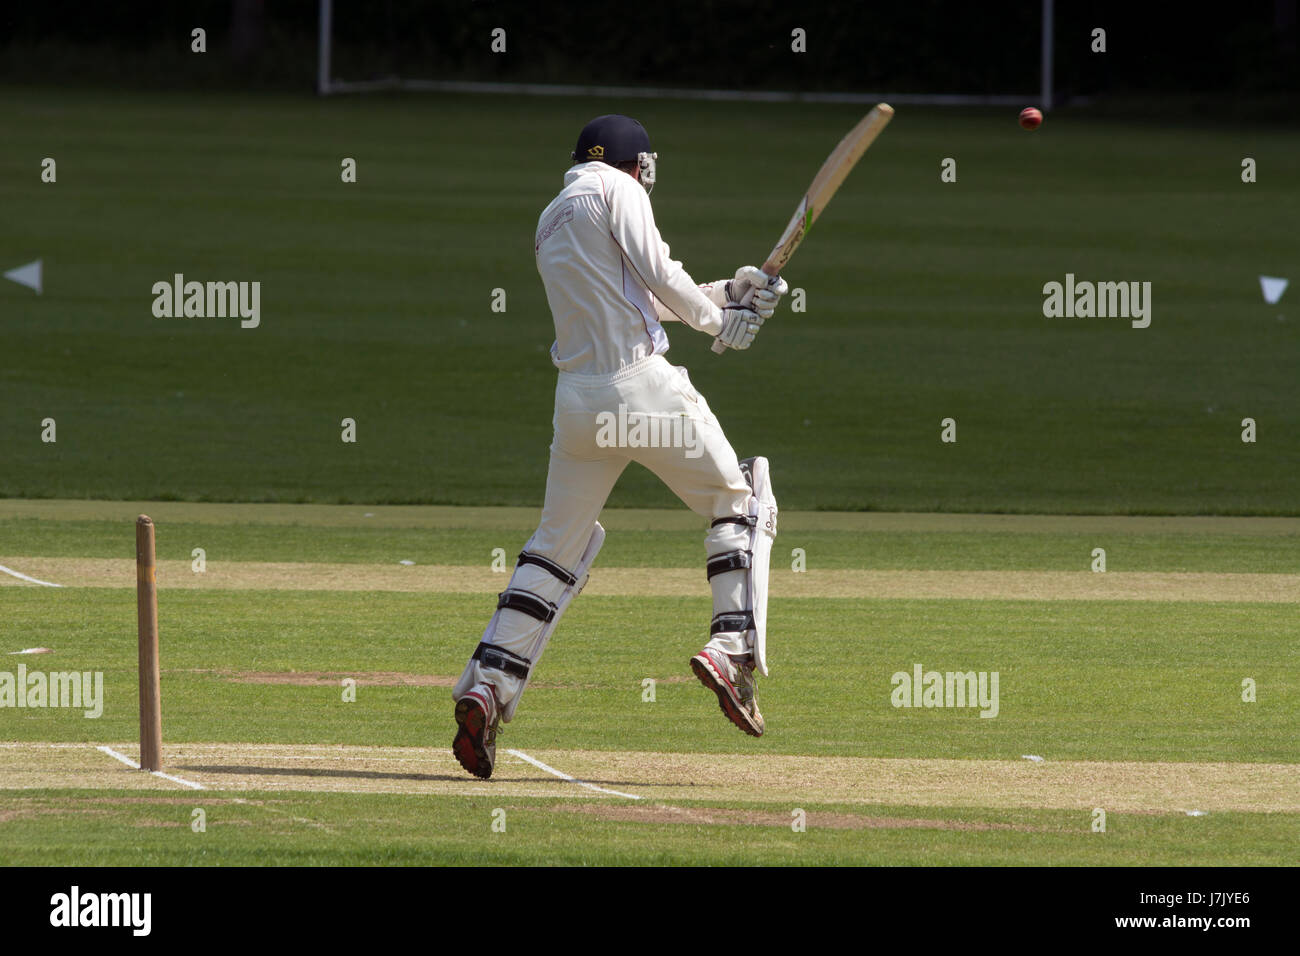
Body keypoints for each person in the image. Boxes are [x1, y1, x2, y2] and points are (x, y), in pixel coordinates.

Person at [451, 114, 787, 779]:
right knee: (740, 501)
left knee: (557, 546)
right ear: (642, 165)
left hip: (579, 405)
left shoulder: (554, 216)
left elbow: (636, 293)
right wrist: (721, 322)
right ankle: (731, 648)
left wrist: (731, 292)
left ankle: (486, 685)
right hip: (642, 388)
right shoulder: (620, 189)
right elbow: (659, 271)